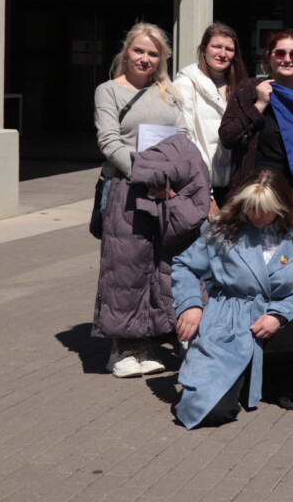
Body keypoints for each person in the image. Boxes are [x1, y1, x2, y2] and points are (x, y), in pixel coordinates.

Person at [171, 169, 293, 428]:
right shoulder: (223, 229)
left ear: (281, 207)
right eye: (250, 207)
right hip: (229, 319)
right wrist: (190, 305)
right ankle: (233, 377)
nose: (255, 215)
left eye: (263, 208)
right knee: (212, 414)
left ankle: (272, 381)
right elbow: (184, 266)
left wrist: (279, 316)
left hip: (279, 319)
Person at [93, 23, 189, 377]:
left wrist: (176, 175)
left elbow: (182, 135)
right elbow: (109, 141)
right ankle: (120, 350)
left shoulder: (168, 92)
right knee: (124, 269)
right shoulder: (109, 91)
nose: (145, 59)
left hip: (166, 190)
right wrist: (147, 176)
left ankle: (146, 344)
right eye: (139, 51)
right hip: (127, 189)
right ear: (126, 51)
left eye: (153, 53)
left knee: (156, 268)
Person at [219, 29, 293, 193]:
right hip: (252, 191)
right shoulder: (248, 89)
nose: (287, 60)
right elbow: (228, 136)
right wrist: (259, 105)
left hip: (292, 194)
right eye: (280, 53)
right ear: (269, 57)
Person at [175, 22, 248, 216]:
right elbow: (186, 141)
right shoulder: (185, 85)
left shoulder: (240, 87)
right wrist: (205, 194)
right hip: (201, 187)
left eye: (229, 49)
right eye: (216, 46)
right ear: (203, 49)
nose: (222, 54)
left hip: (233, 189)